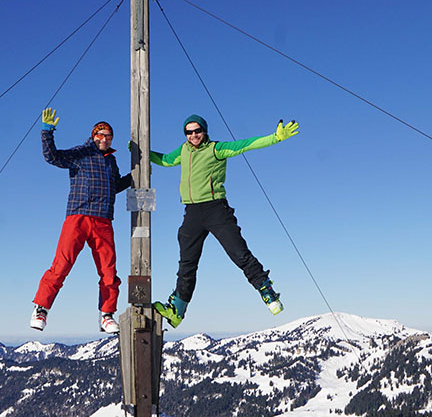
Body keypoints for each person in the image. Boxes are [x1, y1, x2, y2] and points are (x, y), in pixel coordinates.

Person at [150, 114, 299, 327]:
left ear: (204, 131)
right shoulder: (183, 151)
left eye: (197, 130)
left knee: (238, 253)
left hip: (216, 209)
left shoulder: (216, 149)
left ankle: (267, 291)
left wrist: (275, 138)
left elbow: (245, 145)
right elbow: (165, 160)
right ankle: (177, 309)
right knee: (187, 263)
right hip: (192, 212)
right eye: (189, 132)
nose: (193, 135)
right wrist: (143, 152)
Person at [30, 109, 132, 334]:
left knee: (108, 269)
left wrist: (135, 176)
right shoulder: (82, 152)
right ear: (93, 135)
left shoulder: (111, 161)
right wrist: (47, 133)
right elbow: (53, 157)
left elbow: (114, 187)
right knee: (62, 264)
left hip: (103, 220)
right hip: (78, 216)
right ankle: (41, 309)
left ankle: (107, 314)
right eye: (100, 134)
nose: (104, 139)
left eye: (108, 136)